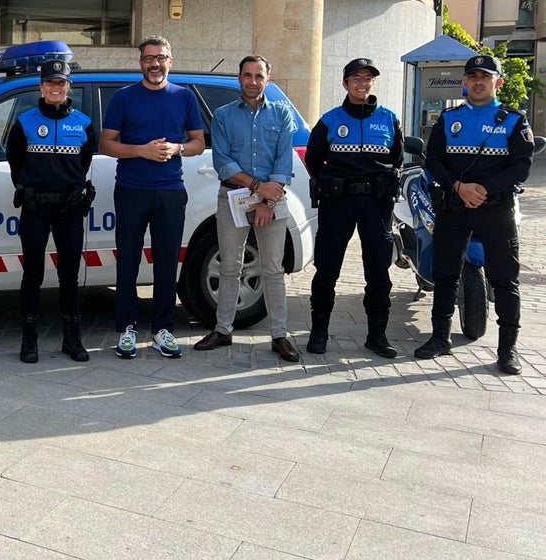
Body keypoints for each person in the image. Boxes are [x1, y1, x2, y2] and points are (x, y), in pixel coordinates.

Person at [415, 54, 535, 374]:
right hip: (454, 208)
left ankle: (508, 349)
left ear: (498, 82)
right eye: (472, 77)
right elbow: (433, 160)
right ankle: (440, 337)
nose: (478, 82)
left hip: (495, 210)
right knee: (445, 275)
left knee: (505, 280)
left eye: (485, 77)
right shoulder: (448, 118)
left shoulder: (513, 120)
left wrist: (482, 190)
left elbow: (521, 166)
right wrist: (458, 187)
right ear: (465, 83)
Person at [100, 36, 205, 359]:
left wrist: (177, 148)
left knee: (166, 262)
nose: (154, 64)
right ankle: (127, 328)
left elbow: (198, 142)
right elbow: (106, 144)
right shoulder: (124, 98)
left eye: (160, 57)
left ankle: (162, 330)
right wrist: (141, 151)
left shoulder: (184, 98)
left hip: (171, 191)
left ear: (170, 61)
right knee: (128, 260)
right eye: (148, 58)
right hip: (132, 190)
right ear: (140, 63)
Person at [194, 55, 300, 362]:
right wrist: (257, 188)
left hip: (272, 200)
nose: (252, 81)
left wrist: (267, 200)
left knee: (273, 269)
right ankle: (223, 329)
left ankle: (279, 336)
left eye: (258, 76)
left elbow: (284, 160)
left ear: (267, 79)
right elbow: (223, 163)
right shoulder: (224, 115)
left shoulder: (281, 114)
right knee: (229, 265)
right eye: (247, 75)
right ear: (239, 77)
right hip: (233, 198)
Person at [303, 58, 404, 358]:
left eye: (368, 78)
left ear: (373, 83)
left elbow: (397, 158)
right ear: (346, 84)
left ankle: (377, 336)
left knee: (378, 271)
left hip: (376, 204)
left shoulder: (388, 119)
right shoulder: (330, 120)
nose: (362, 83)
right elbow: (313, 159)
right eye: (356, 78)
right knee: (327, 268)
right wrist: (330, 183)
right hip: (339, 203)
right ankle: (319, 332)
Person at [6, 58, 99, 363]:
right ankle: (29, 340)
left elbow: (84, 163)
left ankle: (72, 339)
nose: (55, 88)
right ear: (41, 86)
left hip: (70, 209)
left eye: (61, 83)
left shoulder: (84, 124)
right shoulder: (25, 122)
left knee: (69, 275)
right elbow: (15, 162)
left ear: (68, 86)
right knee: (32, 274)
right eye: (50, 83)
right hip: (36, 208)